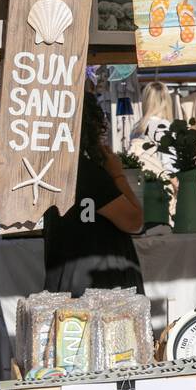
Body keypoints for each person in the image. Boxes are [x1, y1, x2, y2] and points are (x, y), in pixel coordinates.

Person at [43, 96, 145, 295]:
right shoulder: (87, 173)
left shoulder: (52, 168)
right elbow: (134, 221)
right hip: (99, 285)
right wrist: (117, 173)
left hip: (65, 279)